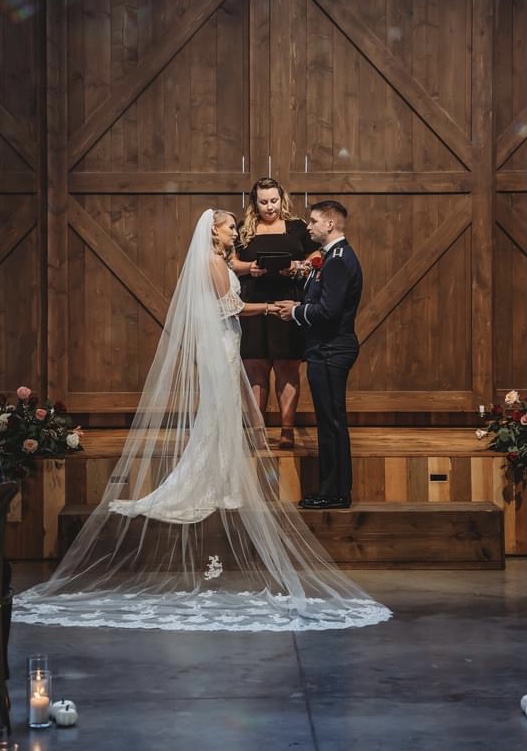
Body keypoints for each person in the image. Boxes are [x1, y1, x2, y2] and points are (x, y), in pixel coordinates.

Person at [13, 209, 390, 632]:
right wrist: (270, 307)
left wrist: (289, 291)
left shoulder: (225, 261)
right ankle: (212, 482)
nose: (236, 232)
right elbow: (229, 303)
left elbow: (244, 285)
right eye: (231, 227)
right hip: (225, 342)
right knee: (218, 413)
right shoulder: (213, 263)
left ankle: (224, 481)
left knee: (225, 413)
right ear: (215, 232)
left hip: (232, 342)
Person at [277, 201, 362, 510]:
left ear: (329, 224)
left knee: (331, 423)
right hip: (324, 348)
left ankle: (335, 492)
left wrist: (295, 311)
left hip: (330, 349)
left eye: (313, 221)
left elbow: (328, 311)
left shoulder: (338, 259)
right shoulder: (329, 257)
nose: (308, 226)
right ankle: (333, 488)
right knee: (329, 420)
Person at [231, 177, 319, 449]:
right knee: (255, 366)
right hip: (253, 302)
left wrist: (298, 267)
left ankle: (287, 430)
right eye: (263, 202)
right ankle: (258, 432)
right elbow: (231, 261)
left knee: (287, 365)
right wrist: (250, 269)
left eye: (274, 200)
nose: (269, 207)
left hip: (288, 301)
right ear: (254, 203)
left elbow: (318, 257)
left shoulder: (297, 227)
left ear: (282, 199)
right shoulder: (244, 229)